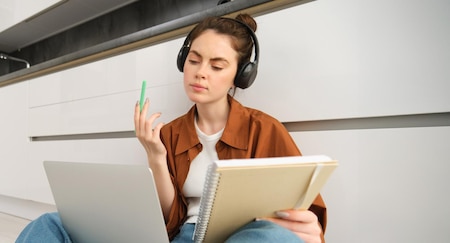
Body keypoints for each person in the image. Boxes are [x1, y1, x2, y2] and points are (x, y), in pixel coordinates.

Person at [133, 14, 327, 242]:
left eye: (216, 66)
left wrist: (306, 227)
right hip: (189, 234)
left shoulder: (264, 128)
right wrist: (155, 156)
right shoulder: (170, 133)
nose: (200, 72)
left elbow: (303, 210)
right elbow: (171, 218)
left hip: (249, 235)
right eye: (194, 61)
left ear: (241, 75)